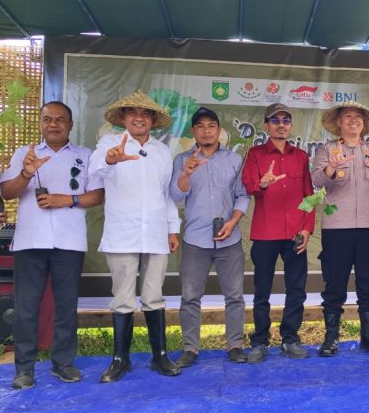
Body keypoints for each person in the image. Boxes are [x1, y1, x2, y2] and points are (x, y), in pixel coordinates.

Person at [0, 102, 104, 389]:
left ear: (70, 124)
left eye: (60, 119)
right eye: (47, 119)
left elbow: (97, 195)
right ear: (41, 124)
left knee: (66, 306)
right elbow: (7, 193)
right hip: (29, 242)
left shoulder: (85, 155)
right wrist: (25, 173)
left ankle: (63, 363)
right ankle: (24, 369)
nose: (54, 124)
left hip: (69, 242)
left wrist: (67, 199)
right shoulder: (26, 153)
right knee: (26, 308)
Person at [89, 90, 181, 382]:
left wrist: (172, 228)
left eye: (145, 114)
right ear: (124, 118)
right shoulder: (108, 143)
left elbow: (165, 195)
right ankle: (120, 360)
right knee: (123, 299)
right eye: (132, 113)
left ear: (153, 120)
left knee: (154, 296)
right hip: (122, 233)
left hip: (155, 233)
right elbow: (94, 172)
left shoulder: (162, 152)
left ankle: (160, 356)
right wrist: (111, 159)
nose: (139, 117)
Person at [312, 101, 369, 356]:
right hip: (337, 227)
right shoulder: (326, 150)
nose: (352, 121)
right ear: (338, 122)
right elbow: (315, 181)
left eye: (357, 117)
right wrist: (331, 168)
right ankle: (330, 338)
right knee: (334, 284)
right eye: (347, 116)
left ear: (363, 124)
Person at [170, 107, 250, 366]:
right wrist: (186, 174)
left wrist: (233, 221)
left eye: (211, 125)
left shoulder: (234, 160)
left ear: (219, 131)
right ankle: (190, 348)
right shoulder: (183, 159)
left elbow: (243, 194)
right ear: (193, 131)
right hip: (196, 239)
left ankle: (235, 344)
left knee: (235, 296)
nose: (206, 130)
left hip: (230, 239)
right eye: (201, 126)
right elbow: (175, 195)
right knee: (190, 297)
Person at [241, 103, 315, 363]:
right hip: (265, 232)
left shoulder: (301, 156)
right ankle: (260, 341)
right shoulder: (255, 154)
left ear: (290, 125)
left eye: (285, 120)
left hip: (295, 232)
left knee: (296, 289)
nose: (281, 124)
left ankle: (290, 338)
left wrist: (307, 229)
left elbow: (310, 196)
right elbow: (250, 185)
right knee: (262, 290)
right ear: (266, 125)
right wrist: (262, 183)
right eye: (275, 120)